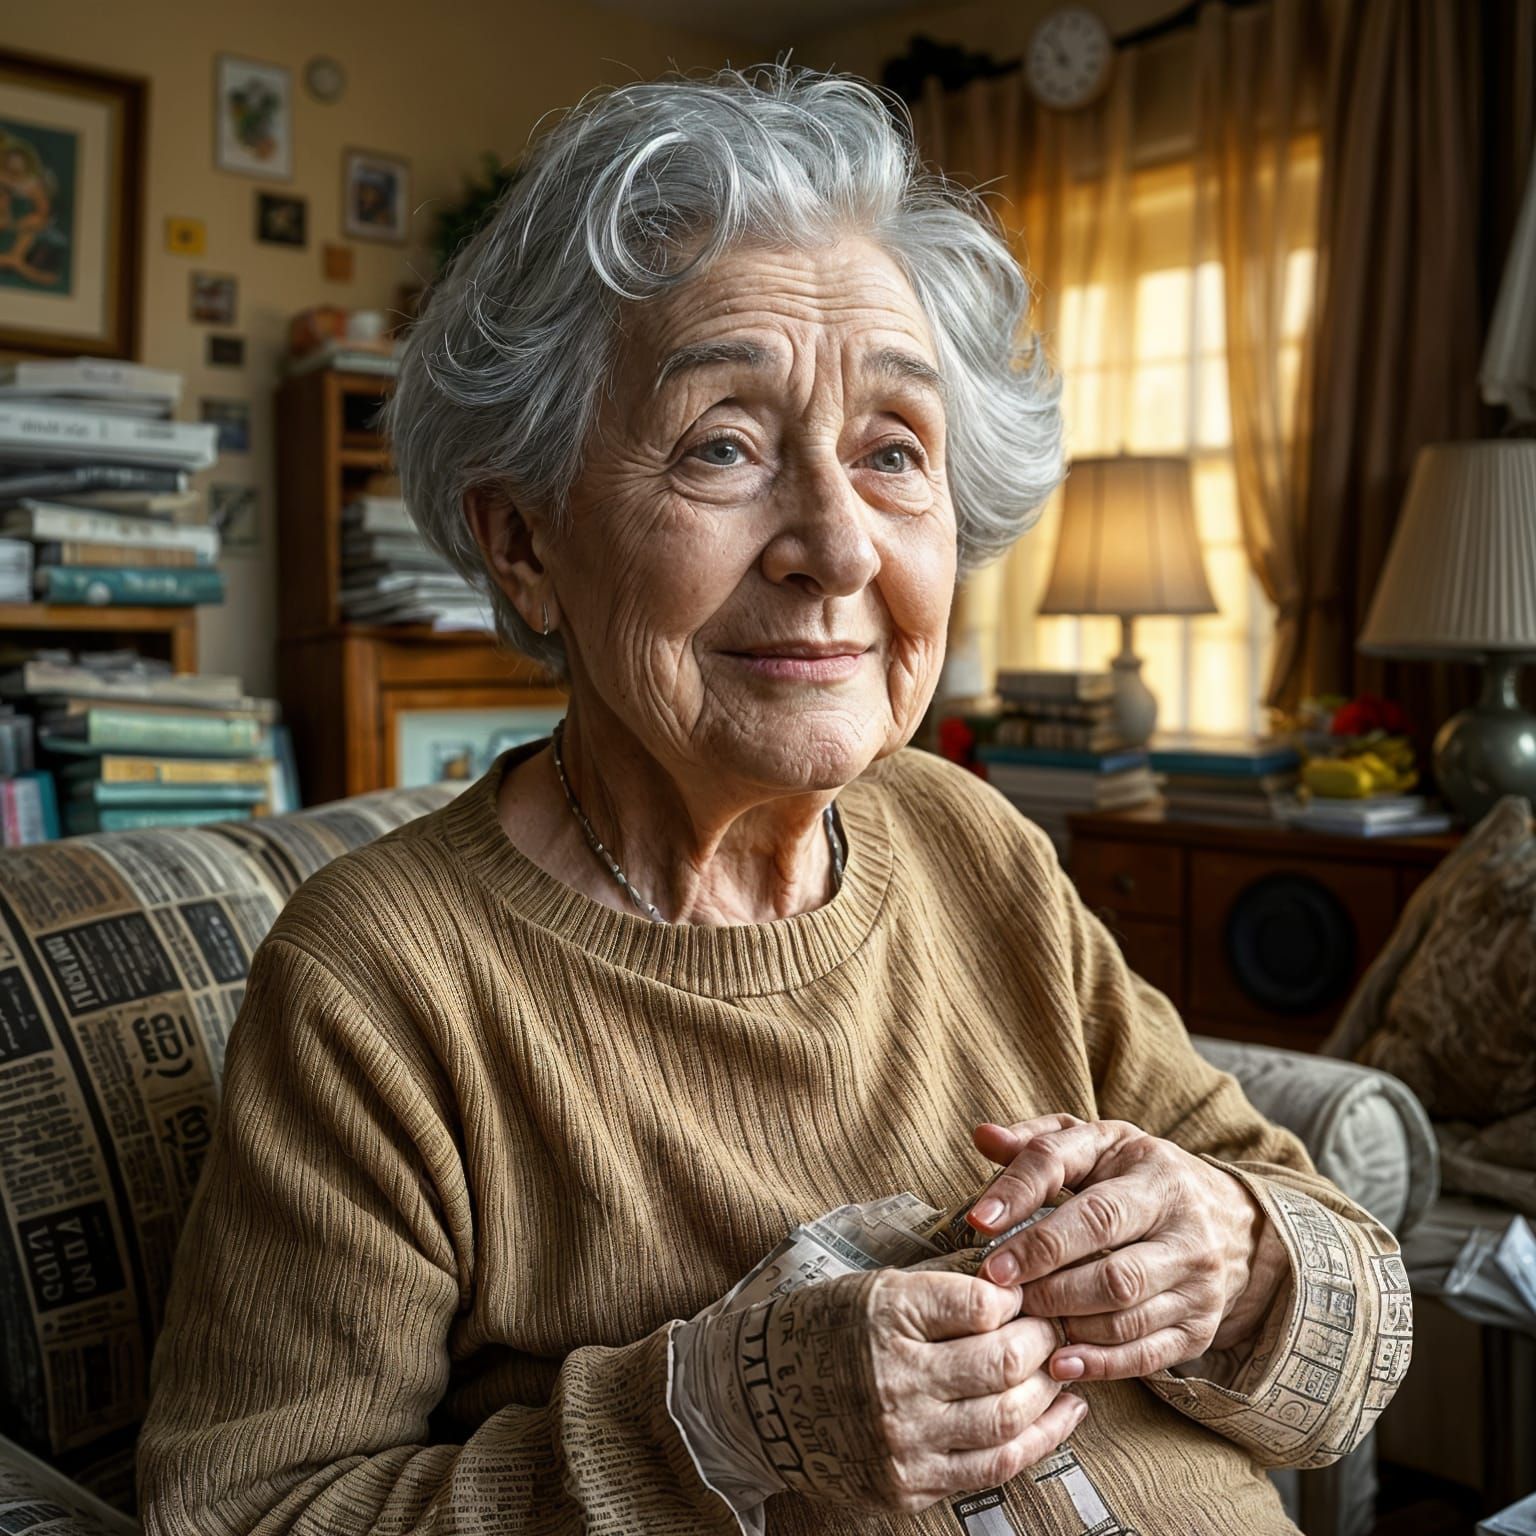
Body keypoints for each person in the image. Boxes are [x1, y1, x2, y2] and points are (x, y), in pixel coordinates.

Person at [136, 64, 1411, 1536]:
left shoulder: (970, 841)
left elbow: (1353, 1327)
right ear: (523, 540)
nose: (839, 548)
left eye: (892, 452)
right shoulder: (380, 982)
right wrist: (718, 1425)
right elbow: (240, 1516)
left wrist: (1232, 1254)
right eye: (723, 445)